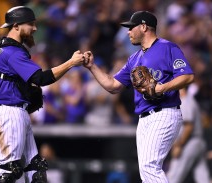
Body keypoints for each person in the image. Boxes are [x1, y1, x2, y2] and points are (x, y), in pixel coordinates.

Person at [0, 6, 86, 183]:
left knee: (35, 170)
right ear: (16, 25)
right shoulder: (13, 52)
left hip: (11, 111)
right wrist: (71, 63)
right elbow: (41, 78)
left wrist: (6, 90)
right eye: (30, 24)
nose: (35, 28)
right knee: (8, 171)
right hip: (10, 112)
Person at [83, 11, 194, 182]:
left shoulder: (167, 47)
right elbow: (113, 86)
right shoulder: (133, 59)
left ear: (143, 27)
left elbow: (187, 76)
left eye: (130, 28)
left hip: (164, 113)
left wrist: (162, 87)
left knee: (149, 167)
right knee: (146, 171)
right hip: (144, 119)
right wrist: (92, 67)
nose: (128, 32)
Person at [166, 88, 210, 183]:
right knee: (202, 176)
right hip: (196, 142)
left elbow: (188, 126)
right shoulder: (188, 100)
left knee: (173, 177)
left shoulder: (186, 101)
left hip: (189, 142)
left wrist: (178, 145)